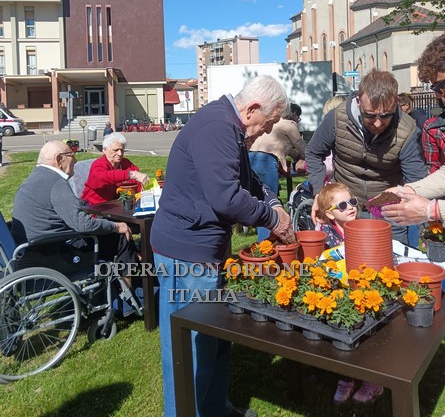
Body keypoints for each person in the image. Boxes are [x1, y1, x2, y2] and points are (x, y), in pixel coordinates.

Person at [150, 75, 296, 417]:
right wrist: (273, 220)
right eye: (268, 123)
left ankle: (214, 409)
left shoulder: (228, 125)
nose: (265, 132)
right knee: (188, 348)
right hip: (185, 252)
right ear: (253, 109)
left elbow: (247, 180)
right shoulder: (218, 126)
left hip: (203, 250)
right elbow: (226, 198)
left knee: (215, 338)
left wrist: (272, 202)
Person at [305, 70, 427, 245]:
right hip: (347, 209)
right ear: (358, 102)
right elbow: (313, 152)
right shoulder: (337, 118)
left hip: (389, 213)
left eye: (386, 115)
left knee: (391, 266)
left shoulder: (408, 130)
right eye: (370, 115)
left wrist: (425, 226)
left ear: (396, 104)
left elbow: (416, 180)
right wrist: (318, 192)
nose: (377, 123)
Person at [315, 182, 384, 404]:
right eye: (343, 205)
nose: (351, 207)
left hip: (366, 290)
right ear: (330, 214)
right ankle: (347, 377)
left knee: (371, 336)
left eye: (352, 202)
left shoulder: (364, 227)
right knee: (345, 337)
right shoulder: (327, 236)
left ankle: (373, 380)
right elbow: (324, 264)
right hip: (340, 293)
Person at [11, 140, 131, 251]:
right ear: (59, 159)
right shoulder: (56, 182)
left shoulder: (33, 178)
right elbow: (83, 224)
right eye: (71, 155)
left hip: (29, 247)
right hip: (54, 250)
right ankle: (130, 271)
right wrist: (115, 226)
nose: (76, 160)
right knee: (118, 234)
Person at [249, 102, 306, 241]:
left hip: (250, 158)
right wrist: (310, 158)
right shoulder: (289, 124)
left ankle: (264, 240)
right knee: (268, 202)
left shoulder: (275, 124)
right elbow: (301, 146)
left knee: (257, 200)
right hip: (266, 162)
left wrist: (296, 156)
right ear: (295, 116)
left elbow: (287, 148)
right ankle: (266, 242)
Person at [414, 33, 445, 175]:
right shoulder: (434, 128)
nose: (437, 94)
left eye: (440, 85)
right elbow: (435, 174)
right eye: (434, 87)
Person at [81, 132, 149, 205]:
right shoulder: (98, 164)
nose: (120, 154)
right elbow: (101, 177)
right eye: (115, 150)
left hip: (117, 206)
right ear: (104, 150)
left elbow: (138, 184)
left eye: (122, 150)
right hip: (94, 207)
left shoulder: (126, 163)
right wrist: (131, 174)